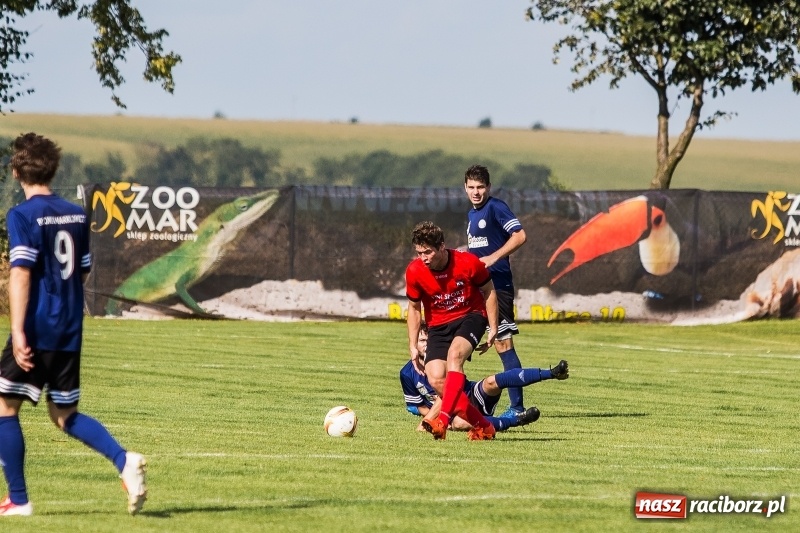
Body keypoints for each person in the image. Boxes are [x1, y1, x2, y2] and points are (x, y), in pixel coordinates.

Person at [0, 133, 147, 517]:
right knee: (63, 416)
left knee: (4, 406)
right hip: (68, 328)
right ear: (53, 169)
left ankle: (18, 500)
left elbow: (21, 274)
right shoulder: (76, 214)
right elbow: (81, 272)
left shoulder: (22, 215)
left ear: (16, 172)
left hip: (37, 328)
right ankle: (123, 460)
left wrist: (18, 331)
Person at [406, 221, 498, 441]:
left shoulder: (468, 263)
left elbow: (488, 290)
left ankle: (442, 421)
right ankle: (484, 426)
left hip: (471, 317)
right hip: (438, 326)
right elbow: (414, 309)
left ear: (442, 246)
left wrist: (493, 326)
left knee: (455, 356)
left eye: (428, 252)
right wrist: (412, 345)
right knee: (436, 378)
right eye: (419, 253)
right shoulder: (415, 271)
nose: (423, 258)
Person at [400, 323, 569, 433]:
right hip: (456, 413)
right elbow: (416, 406)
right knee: (460, 423)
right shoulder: (407, 373)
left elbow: (446, 394)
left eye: (430, 340)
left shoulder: (443, 360)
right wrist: (431, 417)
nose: (427, 344)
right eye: (422, 340)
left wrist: (429, 419)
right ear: (414, 344)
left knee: (491, 381)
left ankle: (551, 373)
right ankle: (515, 420)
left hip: (471, 394)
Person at [464, 164, 530, 418]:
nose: (476, 192)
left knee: (503, 344)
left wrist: (494, 257)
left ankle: (516, 407)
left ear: (488, 187)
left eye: (480, 187)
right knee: (458, 339)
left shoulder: (496, 207)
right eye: (471, 187)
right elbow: (478, 251)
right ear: (465, 188)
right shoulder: (472, 214)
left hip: (497, 287)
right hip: (477, 287)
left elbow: (520, 235)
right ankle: (459, 399)